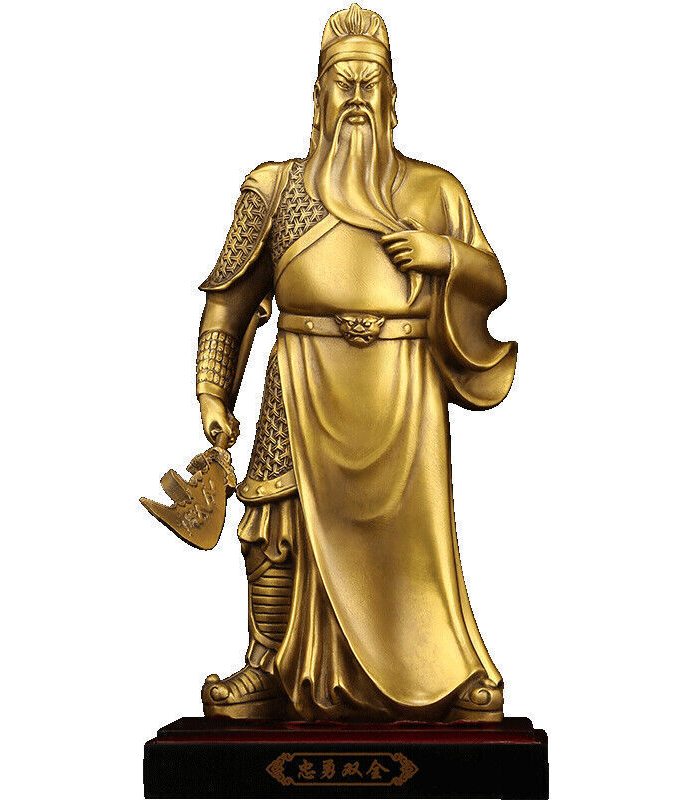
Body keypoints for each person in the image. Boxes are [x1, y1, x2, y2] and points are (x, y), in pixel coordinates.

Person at [196, 3, 516, 722]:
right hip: (301, 375)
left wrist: (444, 254)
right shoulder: (274, 189)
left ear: (393, 95)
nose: (358, 98)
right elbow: (228, 304)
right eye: (344, 82)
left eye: (372, 83)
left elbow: (493, 281)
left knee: (414, 546)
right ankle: (266, 664)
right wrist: (213, 394)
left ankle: (443, 671)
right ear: (318, 94)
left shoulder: (434, 191)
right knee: (273, 520)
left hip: (402, 388)